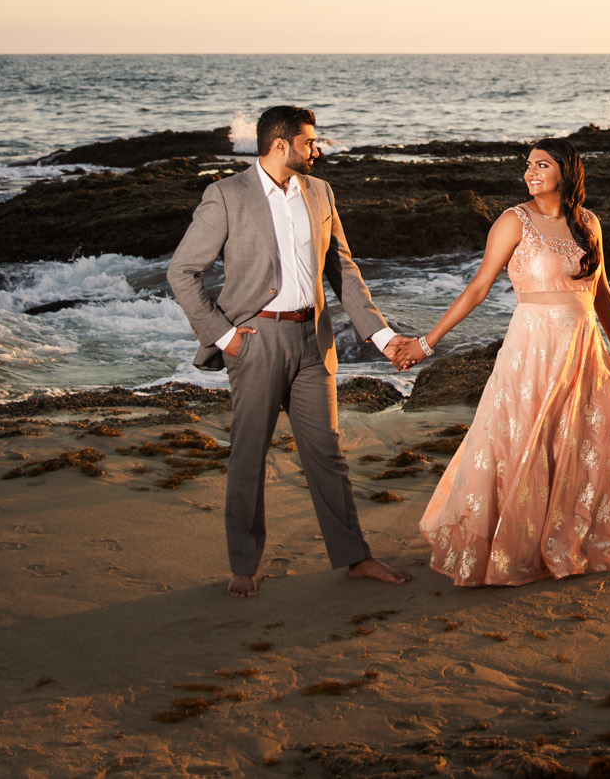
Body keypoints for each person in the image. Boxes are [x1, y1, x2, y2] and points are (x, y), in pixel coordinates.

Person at [167, 104, 423, 597]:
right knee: (249, 455)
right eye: (309, 142)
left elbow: (343, 270)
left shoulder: (321, 192)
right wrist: (225, 336)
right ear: (280, 145)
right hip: (257, 342)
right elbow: (182, 271)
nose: (317, 149)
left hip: (314, 341)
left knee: (327, 453)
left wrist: (384, 337)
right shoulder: (225, 196)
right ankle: (244, 564)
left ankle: (356, 557)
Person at [405, 137, 610, 586]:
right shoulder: (513, 221)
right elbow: (477, 288)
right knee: (525, 441)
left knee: (604, 433)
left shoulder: (588, 222)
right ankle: (517, 545)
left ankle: (578, 537)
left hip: (585, 347)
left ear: (566, 171)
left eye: (542, 165)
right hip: (533, 348)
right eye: (528, 165)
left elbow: (600, 291)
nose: (530, 172)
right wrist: (426, 343)